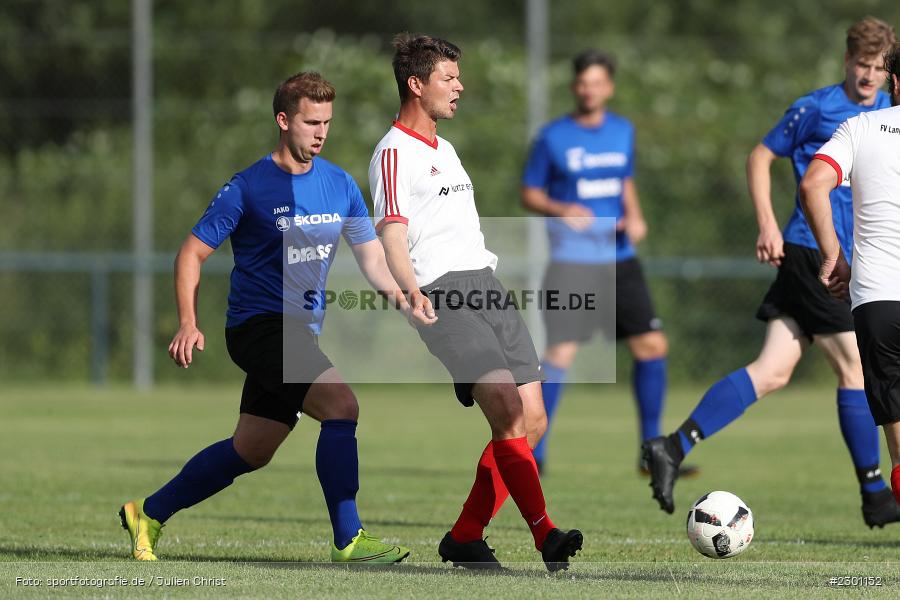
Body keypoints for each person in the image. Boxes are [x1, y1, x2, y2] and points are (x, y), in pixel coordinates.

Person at [118, 71, 430, 563]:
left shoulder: (340, 184)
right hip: (259, 327)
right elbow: (190, 254)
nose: (321, 132)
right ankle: (349, 539)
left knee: (252, 449)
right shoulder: (247, 187)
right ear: (283, 121)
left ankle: (147, 514)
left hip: (300, 332)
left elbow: (372, 259)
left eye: (327, 122)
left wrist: (405, 296)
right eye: (311, 122)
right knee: (342, 407)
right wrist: (187, 321)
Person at [642, 17, 900, 528]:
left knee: (773, 370)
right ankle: (875, 493)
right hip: (817, 257)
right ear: (846, 62)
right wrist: (767, 224)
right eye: (861, 66)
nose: (868, 77)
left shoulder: (887, 115)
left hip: (852, 264)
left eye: (877, 68)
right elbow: (761, 156)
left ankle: (672, 445)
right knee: (854, 366)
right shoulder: (820, 109)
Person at [369, 33, 583, 572]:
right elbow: (392, 233)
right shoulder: (393, 152)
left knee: (532, 422)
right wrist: (409, 287)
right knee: (509, 413)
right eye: (449, 78)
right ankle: (545, 536)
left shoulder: (447, 148)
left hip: (487, 288)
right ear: (416, 85)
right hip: (443, 295)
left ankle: (465, 536)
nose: (460, 87)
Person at [521, 49, 696, 478]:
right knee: (560, 354)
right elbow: (529, 191)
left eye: (597, 82)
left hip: (620, 259)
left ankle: (651, 452)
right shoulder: (552, 137)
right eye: (583, 82)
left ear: (609, 88)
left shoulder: (623, 131)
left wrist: (635, 215)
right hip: (572, 262)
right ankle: (533, 454)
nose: (589, 89)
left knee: (652, 346)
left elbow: (625, 181)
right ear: (574, 87)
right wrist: (561, 208)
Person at [800, 40, 900, 506]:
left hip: (878, 298)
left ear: (893, 81)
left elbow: (813, 184)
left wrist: (834, 256)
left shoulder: (860, 127)